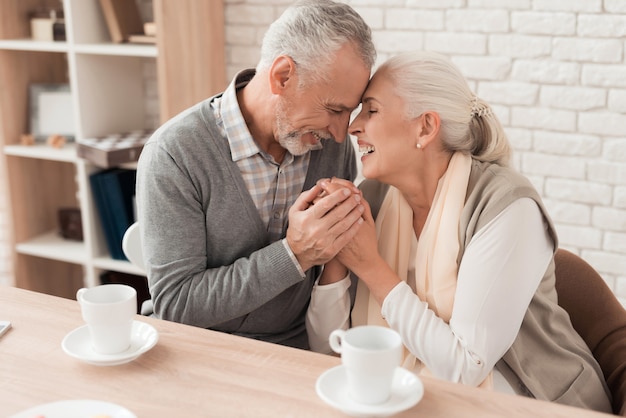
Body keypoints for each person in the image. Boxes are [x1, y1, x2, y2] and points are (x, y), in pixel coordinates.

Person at [306, 51, 613, 412]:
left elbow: (465, 366)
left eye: (371, 110)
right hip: (420, 391)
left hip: (538, 399)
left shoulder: (506, 207)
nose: (354, 127)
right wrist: (338, 255)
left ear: (425, 127)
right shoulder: (373, 198)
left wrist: (370, 266)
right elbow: (326, 348)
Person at [135, 0, 376, 349]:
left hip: (293, 350)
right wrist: (294, 254)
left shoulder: (330, 147)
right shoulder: (175, 153)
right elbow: (177, 304)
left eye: (348, 112)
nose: (341, 134)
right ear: (282, 76)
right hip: (196, 348)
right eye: (334, 109)